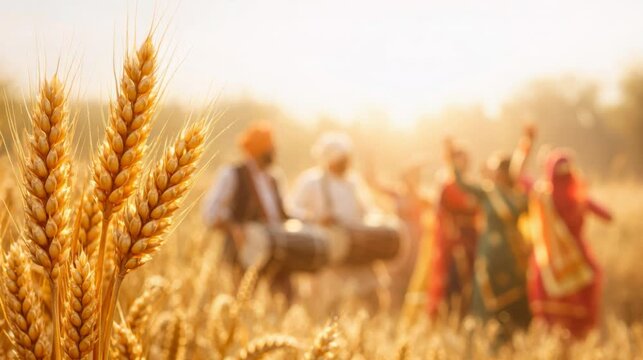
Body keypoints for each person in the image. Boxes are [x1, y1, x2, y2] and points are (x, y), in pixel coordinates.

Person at [446, 126, 536, 340]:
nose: (492, 172)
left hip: (512, 258)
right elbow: (461, 183)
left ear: (504, 173)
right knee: (486, 302)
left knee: (514, 302)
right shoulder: (488, 192)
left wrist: (526, 145)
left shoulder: (518, 197)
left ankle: (512, 339)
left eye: (496, 168)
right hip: (491, 258)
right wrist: (451, 156)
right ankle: (483, 341)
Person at [290, 132, 383, 312]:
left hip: (356, 252)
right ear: (331, 160)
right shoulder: (311, 181)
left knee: (372, 297)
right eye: (343, 159)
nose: (347, 163)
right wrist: (316, 218)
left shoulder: (353, 182)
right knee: (329, 304)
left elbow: (369, 211)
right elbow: (291, 211)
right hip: (328, 255)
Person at [527, 150, 613, 338]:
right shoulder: (576, 196)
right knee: (579, 313)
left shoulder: (544, 195)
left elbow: (519, 179)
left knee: (554, 318)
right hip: (577, 260)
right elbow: (608, 216)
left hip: (550, 263)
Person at [201, 121, 291, 297]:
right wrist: (233, 228)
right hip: (242, 253)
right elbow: (210, 213)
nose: (274, 152)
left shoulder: (275, 178)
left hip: (276, 252)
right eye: (270, 148)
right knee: (241, 301)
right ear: (259, 150)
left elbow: (283, 213)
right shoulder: (232, 173)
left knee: (284, 299)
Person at [365, 159, 432, 311]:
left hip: (417, 240)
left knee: (414, 275)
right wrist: (370, 164)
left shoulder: (422, 196)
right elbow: (374, 183)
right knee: (395, 277)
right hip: (400, 237)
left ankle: (410, 313)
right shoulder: (397, 193)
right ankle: (392, 310)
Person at [426, 143, 480, 319]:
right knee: (454, 277)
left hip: (472, 238)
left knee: (472, 277)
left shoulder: (471, 186)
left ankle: (469, 314)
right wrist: (453, 237)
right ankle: (451, 315)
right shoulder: (447, 187)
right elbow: (444, 213)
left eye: (465, 160)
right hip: (454, 239)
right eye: (459, 160)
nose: (462, 164)